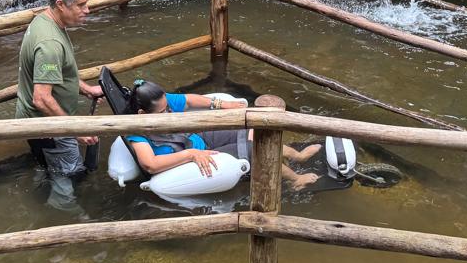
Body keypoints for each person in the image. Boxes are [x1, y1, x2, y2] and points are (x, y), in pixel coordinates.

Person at [123, 79, 322, 191]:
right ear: (142, 114)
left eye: (168, 108)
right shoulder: (137, 131)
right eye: (163, 112)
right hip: (189, 160)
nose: (169, 113)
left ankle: (298, 156)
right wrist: (190, 154)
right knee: (255, 150)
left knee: (254, 130)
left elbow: (190, 100)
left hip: (199, 139)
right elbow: (150, 164)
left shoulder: (162, 102)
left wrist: (222, 104)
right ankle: (295, 179)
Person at [16, 0, 104, 208]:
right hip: (49, 126)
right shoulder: (50, 44)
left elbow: (59, 75)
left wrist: (85, 89)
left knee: (51, 166)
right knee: (68, 177)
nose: (87, 10)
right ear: (60, 5)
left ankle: (43, 182)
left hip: (40, 125)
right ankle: (65, 215)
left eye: (87, 3)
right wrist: (75, 130)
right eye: (81, 5)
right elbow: (42, 98)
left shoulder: (44, 21)